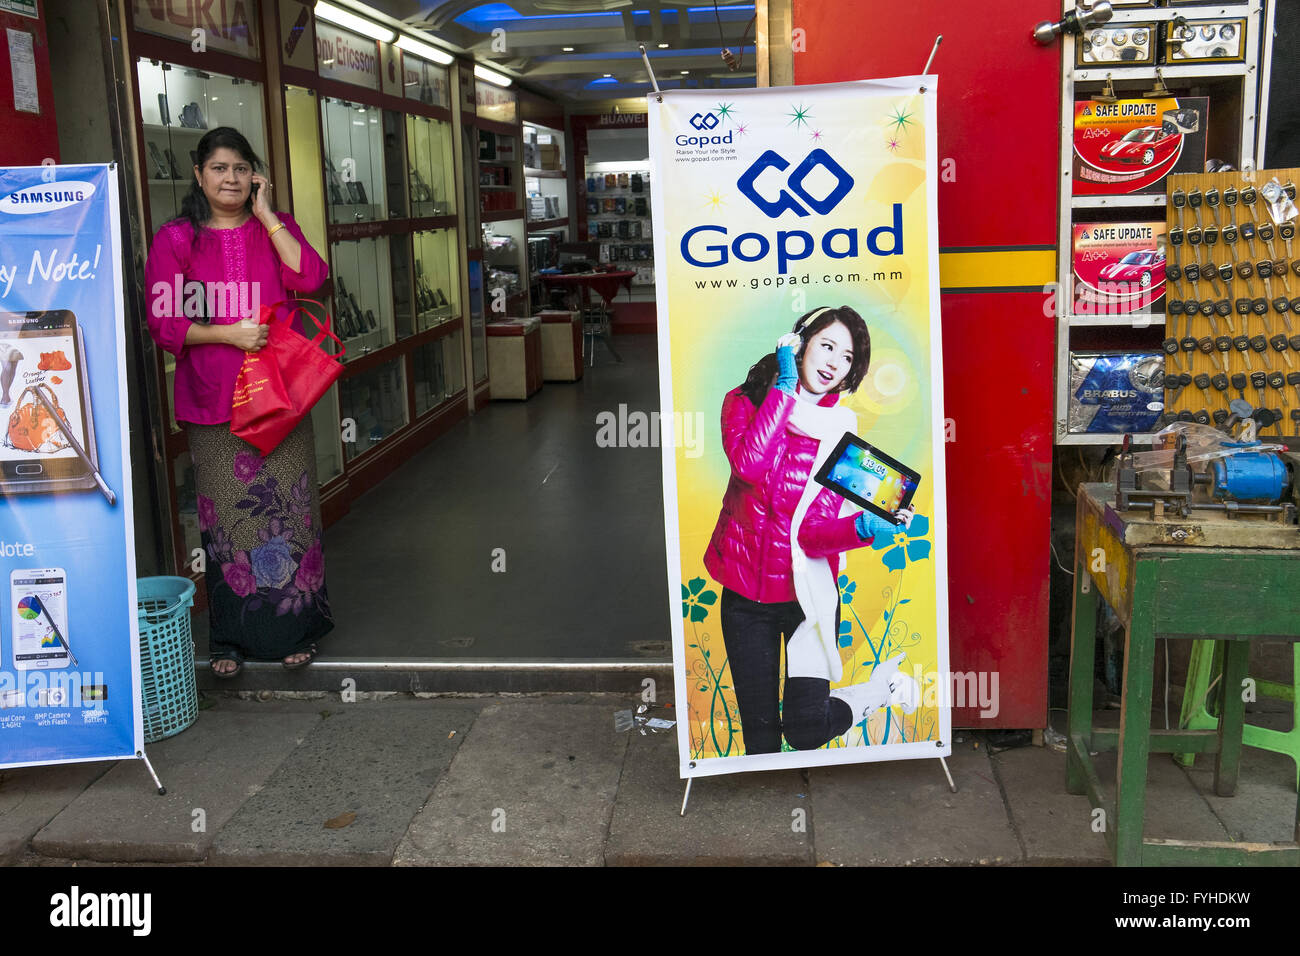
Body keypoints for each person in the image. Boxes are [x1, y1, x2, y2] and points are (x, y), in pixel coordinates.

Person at [144, 127, 333, 678]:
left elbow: (312, 278)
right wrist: (228, 334)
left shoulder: (273, 230)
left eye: (241, 168)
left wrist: (269, 213)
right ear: (199, 174)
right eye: (219, 168)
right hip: (213, 401)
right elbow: (163, 320)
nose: (231, 178)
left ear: (256, 175)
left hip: (279, 398)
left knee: (289, 511)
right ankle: (230, 636)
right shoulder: (176, 239)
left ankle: (295, 630)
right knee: (225, 519)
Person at [704, 305, 918, 754]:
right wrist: (784, 387)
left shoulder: (841, 434)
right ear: (798, 343)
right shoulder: (742, 403)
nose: (833, 363)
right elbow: (749, 466)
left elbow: (813, 537)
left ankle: (877, 691)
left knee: (803, 731)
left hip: (809, 601)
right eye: (826, 346)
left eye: (846, 358)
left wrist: (864, 525)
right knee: (759, 736)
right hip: (745, 598)